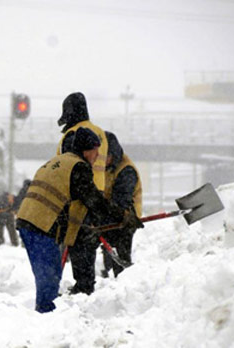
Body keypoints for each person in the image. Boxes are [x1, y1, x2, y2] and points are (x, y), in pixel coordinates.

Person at [16, 127, 139, 313]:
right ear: (85, 150)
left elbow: (81, 199)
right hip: (40, 224)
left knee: (50, 274)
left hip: (30, 220)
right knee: (49, 277)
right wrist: (121, 215)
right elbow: (93, 201)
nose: (98, 155)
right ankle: (45, 319)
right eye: (95, 150)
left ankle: (45, 315)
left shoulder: (60, 161)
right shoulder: (78, 167)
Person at [56, 92, 110, 295]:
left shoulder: (73, 134)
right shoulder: (99, 132)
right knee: (88, 240)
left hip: (78, 193)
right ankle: (85, 283)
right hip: (97, 193)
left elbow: (70, 166)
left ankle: (82, 285)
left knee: (77, 240)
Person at [100, 132, 143, 278]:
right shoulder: (105, 167)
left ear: (114, 153)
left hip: (127, 218)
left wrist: (100, 212)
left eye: (106, 156)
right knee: (109, 254)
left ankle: (124, 281)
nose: (102, 161)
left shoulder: (126, 170)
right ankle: (109, 276)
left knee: (121, 253)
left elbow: (121, 201)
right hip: (110, 214)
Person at [57, 92, 108, 191]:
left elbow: (68, 167)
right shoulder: (100, 132)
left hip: (79, 195)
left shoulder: (74, 133)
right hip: (98, 191)